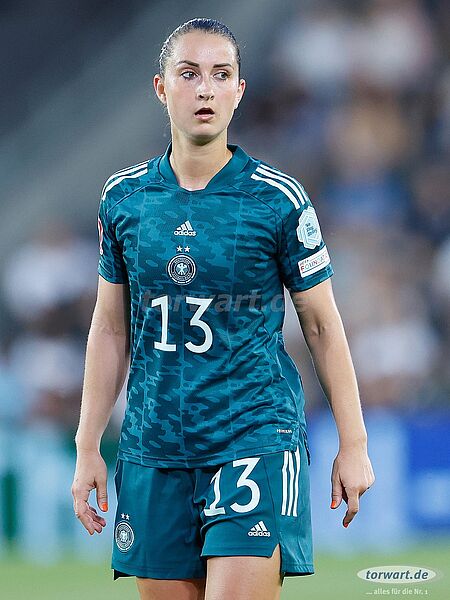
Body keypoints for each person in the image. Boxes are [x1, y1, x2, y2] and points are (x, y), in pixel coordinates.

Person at [72, 18, 375, 600]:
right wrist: (88, 447)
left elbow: (322, 326)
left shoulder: (277, 199)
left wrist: (354, 442)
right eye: (189, 74)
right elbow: (109, 328)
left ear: (240, 90)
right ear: (161, 88)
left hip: (252, 437)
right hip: (153, 446)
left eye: (221, 74)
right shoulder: (124, 198)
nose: (205, 89)